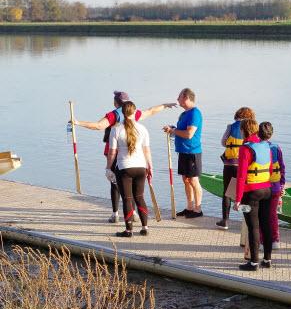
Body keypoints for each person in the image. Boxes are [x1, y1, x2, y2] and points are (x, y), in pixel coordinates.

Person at [71, 91, 175, 223]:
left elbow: (98, 126)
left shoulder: (113, 115)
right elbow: (151, 111)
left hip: (114, 154)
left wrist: (78, 122)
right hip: (134, 155)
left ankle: (115, 214)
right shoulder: (134, 113)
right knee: (133, 187)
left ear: (115, 103)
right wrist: (165, 105)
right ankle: (135, 215)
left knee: (115, 184)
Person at [106, 102, 153, 237]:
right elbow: (147, 151)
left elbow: (112, 152)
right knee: (140, 197)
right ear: (135, 112)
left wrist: (108, 168)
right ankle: (145, 228)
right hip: (141, 167)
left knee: (127, 199)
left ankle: (128, 230)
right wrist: (150, 167)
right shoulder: (143, 129)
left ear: (122, 112)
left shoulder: (116, 129)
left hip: (124, 168)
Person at [233, 119, 273, 271]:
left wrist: (237, 200)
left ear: (244, 131)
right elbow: (269, 170)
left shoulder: (245, 149)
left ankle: (253, 262)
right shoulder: (266, 146)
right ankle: (267, 259)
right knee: (266, 225)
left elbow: (241, 177)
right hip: (267, 191)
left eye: (241, 130)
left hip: (251, 194)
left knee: (253, 228)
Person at [163, 88, 203, 218]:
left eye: (179, 97)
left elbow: (189, 134)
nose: (177, 99)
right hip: (183, 151)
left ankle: (198, 209)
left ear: (186, 98)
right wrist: (173, 129)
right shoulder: (184, 114)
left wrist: (173, 131)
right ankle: (189, 207)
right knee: (186, 179)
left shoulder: (194, 113)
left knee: (193, 180)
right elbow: (181, 130)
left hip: (192, 151)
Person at [217, 107, 255, 230]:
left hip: (229, 164)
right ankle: (247, 221)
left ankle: (225, 221)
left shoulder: (230, 126)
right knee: (245, 192)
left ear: (237, 115)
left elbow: (223, 142)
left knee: (227, 192)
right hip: (243, 165)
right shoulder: (251, 128)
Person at [258, 121, 286, 249]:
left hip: (261, 187)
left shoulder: (255, 147)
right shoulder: (277, 148)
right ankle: (275, 240)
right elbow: (282, 167)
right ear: (271, 133)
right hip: (275, 187)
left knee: (261, 215)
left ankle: (263, 241)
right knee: (272, 214)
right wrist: (282, 186)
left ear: (258, 133)